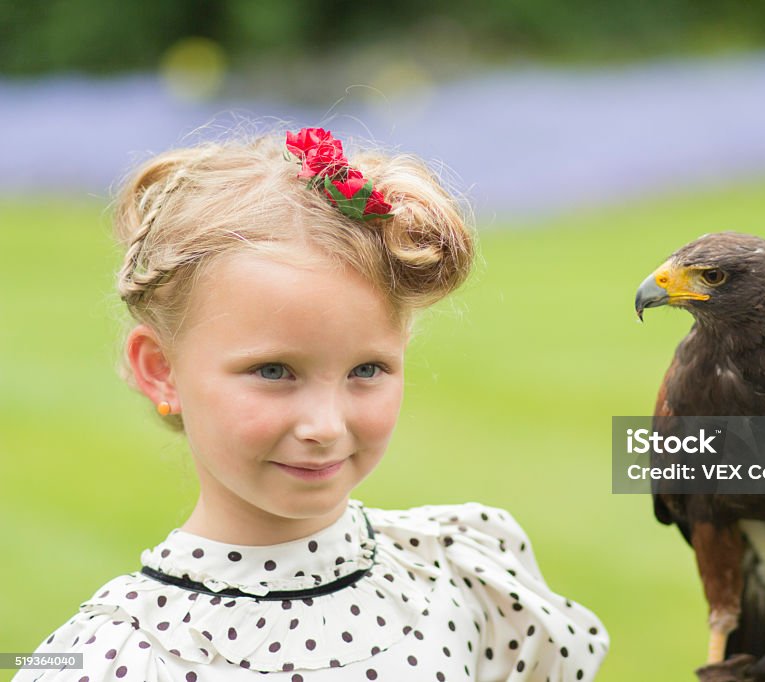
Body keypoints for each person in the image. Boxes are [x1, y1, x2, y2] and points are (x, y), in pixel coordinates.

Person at [16, 127, 608, 681]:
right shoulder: (122, 656)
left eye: (366, 370)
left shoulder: (458, 575)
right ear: (162, 370)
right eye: (274, 371)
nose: (325, 426)